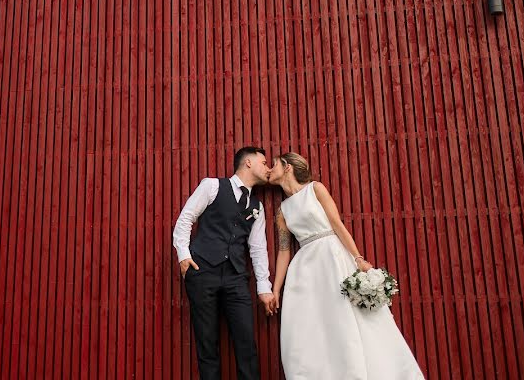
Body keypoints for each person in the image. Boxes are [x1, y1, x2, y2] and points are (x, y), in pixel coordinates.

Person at [268, 152, 425, 379]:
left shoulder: (316, 189)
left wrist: (358, 258)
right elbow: (284, 251)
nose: (270, 170)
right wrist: (276, 289)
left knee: (345, 315)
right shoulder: (282, 212)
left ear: (287, 166)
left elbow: (336, 224)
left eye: (274, 165)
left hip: (333, 256)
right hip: (305, 268)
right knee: (313, 324)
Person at [173, 146, 275, 380]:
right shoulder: (212, 185)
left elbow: (258, 249)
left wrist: (264, 288)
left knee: (246, 343)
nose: (267, 167)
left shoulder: (257, 207)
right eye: (264, 161)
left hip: (236, 278)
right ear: (248, 162)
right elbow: (186, 217)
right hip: (202, 272)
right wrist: (184, 256)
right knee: (207, 344)